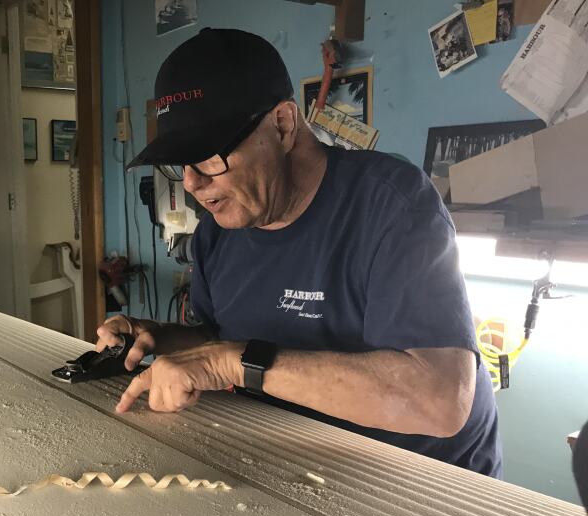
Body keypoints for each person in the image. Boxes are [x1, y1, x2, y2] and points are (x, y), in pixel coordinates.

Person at [97, 28, 500, 477]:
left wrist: (229, 362)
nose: (191, 183)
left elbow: (439, 401)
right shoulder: (220, 232)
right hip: (310, 465)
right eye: (181, 164)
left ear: (284, 125)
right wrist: (160, 338)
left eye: (209, 158)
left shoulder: (392, 206)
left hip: (432, 483)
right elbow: (221, 340)